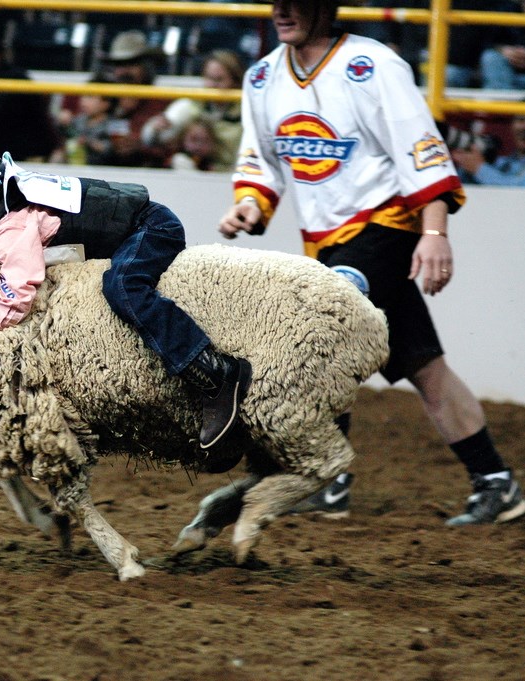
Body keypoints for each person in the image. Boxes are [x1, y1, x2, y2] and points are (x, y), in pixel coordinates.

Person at [218, 0, 525, 525]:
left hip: (386, 228)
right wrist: (250, 203)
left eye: (297, 0)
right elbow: (260, 160)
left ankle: (327, 476)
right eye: (277, 1)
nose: (283, 11)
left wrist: (434, 232)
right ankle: (495, 482)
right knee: (423, 365)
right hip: (327, 243)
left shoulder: (373, 65)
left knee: (319, 326)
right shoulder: (263, 77)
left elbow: (422, 150)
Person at [0, 134, 253, 450]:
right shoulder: (8, 187)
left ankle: (214, 373)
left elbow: (14, 302)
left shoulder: (10, 225)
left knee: (123, 288)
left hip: (152, 227)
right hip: (138, 224)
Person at [141, 49, 244, 171]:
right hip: (199, 175)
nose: (212, 85)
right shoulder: (192, 104)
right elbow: (154, 135)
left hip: (233, 173)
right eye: (209, 78)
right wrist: (156, 128)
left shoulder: (246, 110)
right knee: (180, 161)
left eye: (219, 80)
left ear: (235, 82)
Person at [97, 30, 168, 167]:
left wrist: (142, 147)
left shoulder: (162, 104)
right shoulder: (102, 99)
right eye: (118, 65)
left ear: (146, 67)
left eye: (131, 63)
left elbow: (171, 149)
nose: (123, 72)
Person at [53, 76, 119, 166]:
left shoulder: (114, 124)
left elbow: (111, 149)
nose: (83, 101)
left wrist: (88, 142)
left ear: (106, 103)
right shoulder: (78, 120)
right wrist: (63, 124)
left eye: (90, 96)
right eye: (83, 96)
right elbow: (67, 135)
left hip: (102, 169)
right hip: (74, 166)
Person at [452, 114, 525, 186]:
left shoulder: (482, 167)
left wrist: (479, 168)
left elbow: (519, 186)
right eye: (521, 120)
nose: (524, 127)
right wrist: (466, 163)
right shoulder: (500, 163)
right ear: (511, 125)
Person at [479, 0, 525, 90]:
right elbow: (486, 42)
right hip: (508, 75)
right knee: (491, 57)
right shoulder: (506, 10)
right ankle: (501, 100)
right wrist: (503, 50)